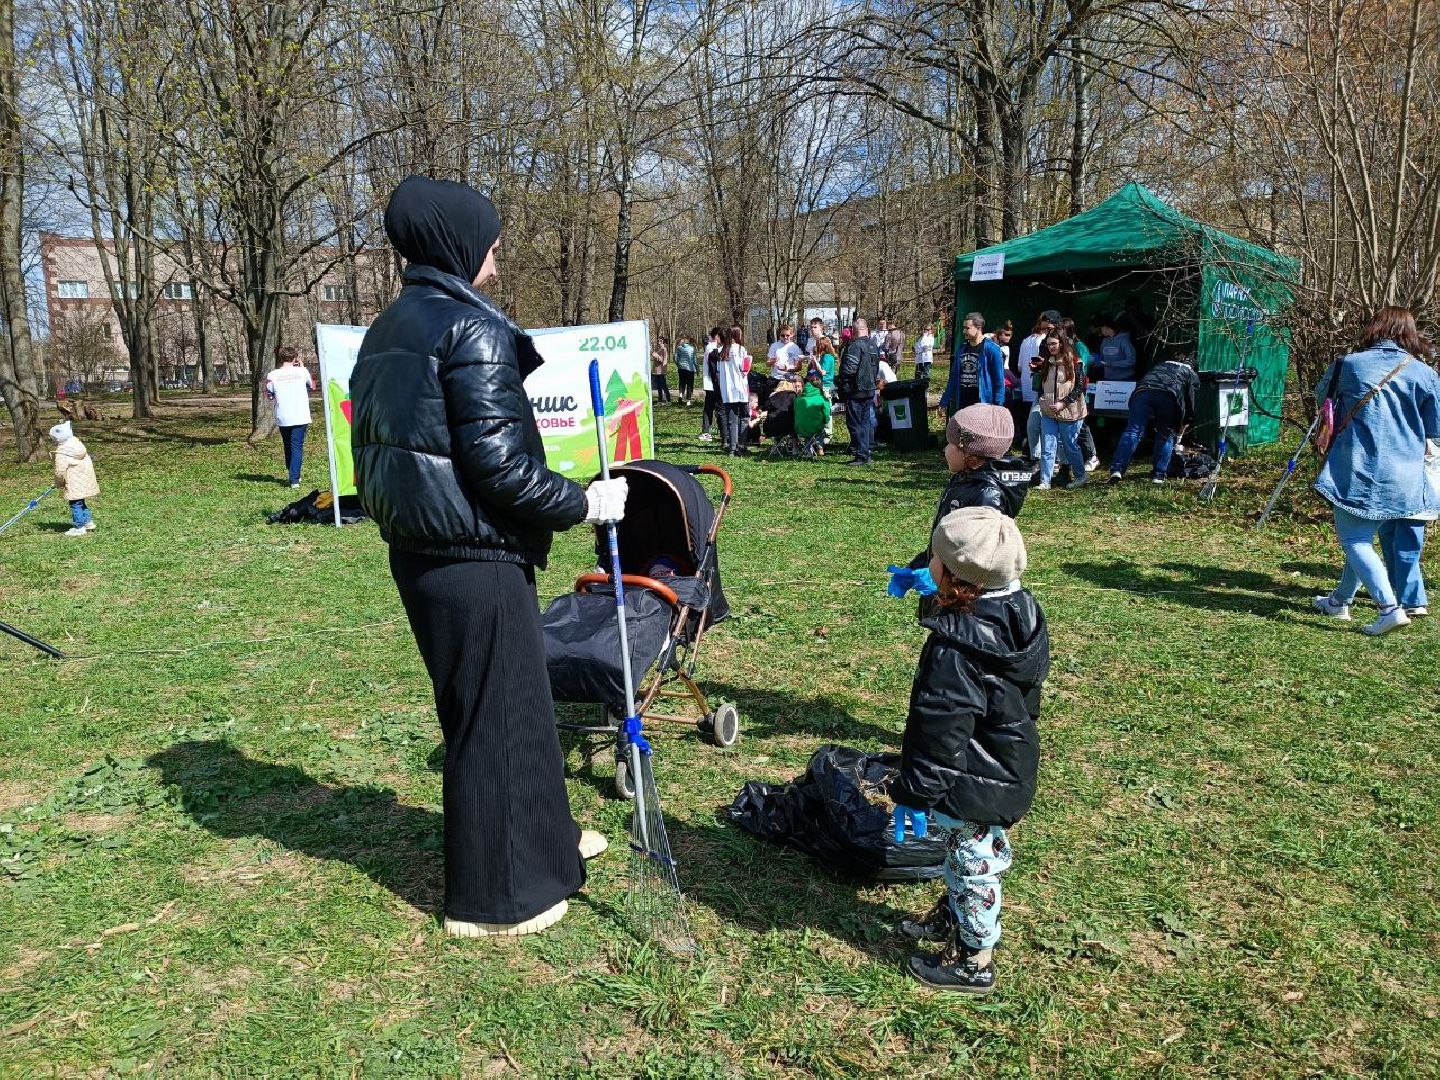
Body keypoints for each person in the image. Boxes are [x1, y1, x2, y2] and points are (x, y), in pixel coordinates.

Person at [349, 176, 629, 938]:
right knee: (489, 716)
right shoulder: (469, 330)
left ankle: (548, 841)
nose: (497, 267)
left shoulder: (391, 325)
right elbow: (500, 469)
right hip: (471, 553)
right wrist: (585, 501)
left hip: (422, 551)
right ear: (459, 245)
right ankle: (499, 898)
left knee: (519, 704)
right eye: (493, 249)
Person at [890, 506, 1049, 994]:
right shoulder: (1016, 612)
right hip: (1002, 760)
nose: (926, 564)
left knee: (973, 860)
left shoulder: (955, 651)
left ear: (956, 579)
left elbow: (942, 730)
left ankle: (975, 958)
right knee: (964, 850)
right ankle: (953, 916)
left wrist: (916, 792)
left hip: (975, 776)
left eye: (933, 559)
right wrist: (931, 586)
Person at [1309, 306, 1440, 636]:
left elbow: (1321, 398)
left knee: (1354, 538)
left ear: (1374, 328)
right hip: (1407, 475)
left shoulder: (1348, 365)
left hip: (1360, 469)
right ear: (1409, 333)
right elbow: (1433, 428)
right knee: (1362, 538)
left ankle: (1389, 608)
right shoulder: (1425, 374)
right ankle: (1339, 601)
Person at [1107, 351, 1200, 484]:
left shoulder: (1161, 365)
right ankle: (1158, 475)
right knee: (1165, 434)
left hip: (1142, 393)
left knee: (1133, 431)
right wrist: (1184, 425)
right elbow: (1190, 404)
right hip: (1168, 396)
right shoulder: (1191, 374)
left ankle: (1117, 469)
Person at [1035, 330, 1089, 489]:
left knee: (1070, 446)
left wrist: (1063, 403)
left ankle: (1081, 476)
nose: (1051, 347)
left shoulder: (1075, 362)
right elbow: (1042, 385)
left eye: (1054, 343)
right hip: (1049, 411)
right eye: (1048, 344)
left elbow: (1079, 387)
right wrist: (1043, 399)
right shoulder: (1047, 362)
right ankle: (1045, 481)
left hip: (1070, 411)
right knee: (1048, 446)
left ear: (1062, 344)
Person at [265, 345, 315, 488]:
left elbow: (269, 395)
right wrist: (303, 368)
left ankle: (292, 473)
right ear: (295, 358)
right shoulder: (302, 371)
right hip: (300, 415)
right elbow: (312, 386)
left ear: (281, 358)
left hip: (283, 416)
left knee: (288, 446)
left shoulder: (272, 375)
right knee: (297, 446)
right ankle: (294, 479)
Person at [941, 312, 1006, 413]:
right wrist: (944, 401)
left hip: (983, 406)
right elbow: (953, 377)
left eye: (967, 328)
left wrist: (998, 407)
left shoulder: (992, 349)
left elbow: (999, 381)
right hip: (963, 406)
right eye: (964, 328)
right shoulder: (961, 349)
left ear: (978, 328)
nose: (964, 331)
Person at [839, 317, 882, 465]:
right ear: (866, 330)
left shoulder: (855, 346)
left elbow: (849, 369)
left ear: (854, 331)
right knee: (864, 423)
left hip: (856, 390)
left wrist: (842, 381)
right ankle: (865, 453)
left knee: (855, 424)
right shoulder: (873, 346)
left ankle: (862, 455)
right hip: (870, 389)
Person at [1061, 317, 1100, 471]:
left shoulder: (1079, 346)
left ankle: (1092, 456)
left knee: (1081, 424)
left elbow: (1081, 370)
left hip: (1078, 391)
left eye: (1061, 331)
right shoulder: (1062, 346)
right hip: (1063, 391)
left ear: (1068, 330)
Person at [49, 420, 99, 537]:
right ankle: (88, 522)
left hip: (73, 483)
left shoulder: (62, 452)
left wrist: (58, 483)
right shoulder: (78, 445)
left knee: (75, 504)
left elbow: (60, 471)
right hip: (84, 481)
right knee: (81, 502)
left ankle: (79, 527)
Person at [717, 324, 751, 456]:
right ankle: (741, 446)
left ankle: (732, 447)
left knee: (732, 419)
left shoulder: (722, 352)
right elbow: (744, 369)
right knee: (744, 417)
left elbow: (719, 372)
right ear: (737, 335)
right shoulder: (740, 349)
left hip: (727, 392)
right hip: (740, 389)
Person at [700, 327, 723, 441]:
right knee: (712, 407)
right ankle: (706, 431)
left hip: (710, 382)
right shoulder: (712, 348)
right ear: (717, 336)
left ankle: (707, 431)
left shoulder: (710, 347)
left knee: (710, 407)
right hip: (711, 383)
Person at [1097, 316, 1137, 381]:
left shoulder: (1124, 339)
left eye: (1101, 327)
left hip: (1124, 379)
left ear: (1107, 327)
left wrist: (1112, 364)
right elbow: (1102, 361)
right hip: (1108, 379)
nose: (1100, 330)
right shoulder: (1104, 341)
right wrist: (1093, 361)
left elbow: (1131, 360)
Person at [674, 335, 697, 405]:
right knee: (689, 384)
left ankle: (680, 396)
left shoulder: (679, 348)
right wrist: (697, 369)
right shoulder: (692, 348)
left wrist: (678, 364)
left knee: (682, 382)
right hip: (690, 368)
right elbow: (694, 360)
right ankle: (688, 401)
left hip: (681, 368)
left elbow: (675, 358)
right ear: (689, 341)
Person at [651, 336, 672, 404]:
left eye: (660, 341)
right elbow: (653, 354)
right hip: (656, 370)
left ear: (663, 342)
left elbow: (664, 360)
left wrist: (658, 357)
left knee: (663, 385)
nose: (659, 343)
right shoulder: (657, 349)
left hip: (661, 371)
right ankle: (660, 400)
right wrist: (656, 355)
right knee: (658, 386)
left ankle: (668, 399)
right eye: (658, 341)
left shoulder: (664, 349)